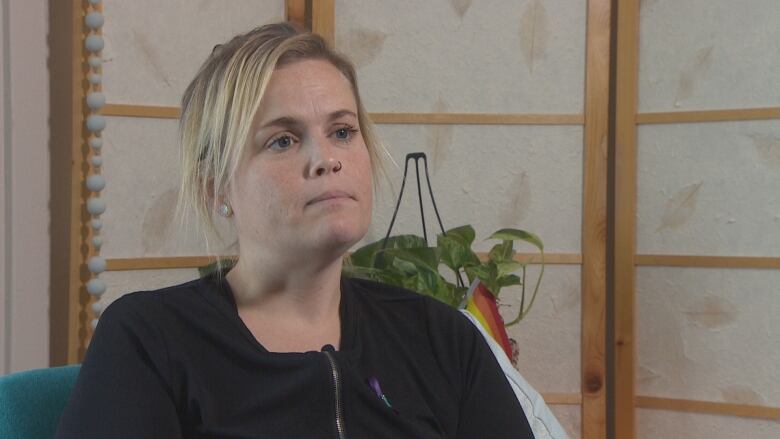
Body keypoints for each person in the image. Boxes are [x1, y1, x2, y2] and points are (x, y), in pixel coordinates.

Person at [56, 22, 535, 438]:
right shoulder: (149, 339)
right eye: (282, 140)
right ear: (215, 188)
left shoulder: (444, 339)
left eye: (343, 131)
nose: (327, 159)